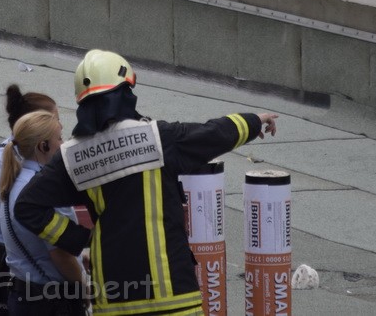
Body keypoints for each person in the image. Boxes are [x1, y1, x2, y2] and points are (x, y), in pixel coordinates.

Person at [15, 49, 280, 316]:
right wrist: (254, 120)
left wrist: (82, 238)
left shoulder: (72, 156)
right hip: (173, 297)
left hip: (114, 299)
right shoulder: (158, 137)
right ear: (124, 93)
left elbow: (27, 206)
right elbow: (213, 134)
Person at [0, 85, 58, 315]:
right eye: (53, 119)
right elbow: (21, 217)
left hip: (24, 260)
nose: (60, 127)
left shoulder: (33, 158)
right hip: (7, 263)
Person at [0, 111, 87, 316]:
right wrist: (85, 287)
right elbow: (60, 254)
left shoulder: (12, 182)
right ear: (43, 146)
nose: (63, 144)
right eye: (59, 138)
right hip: (50, 302)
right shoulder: (46, 190)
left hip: (22, 294)